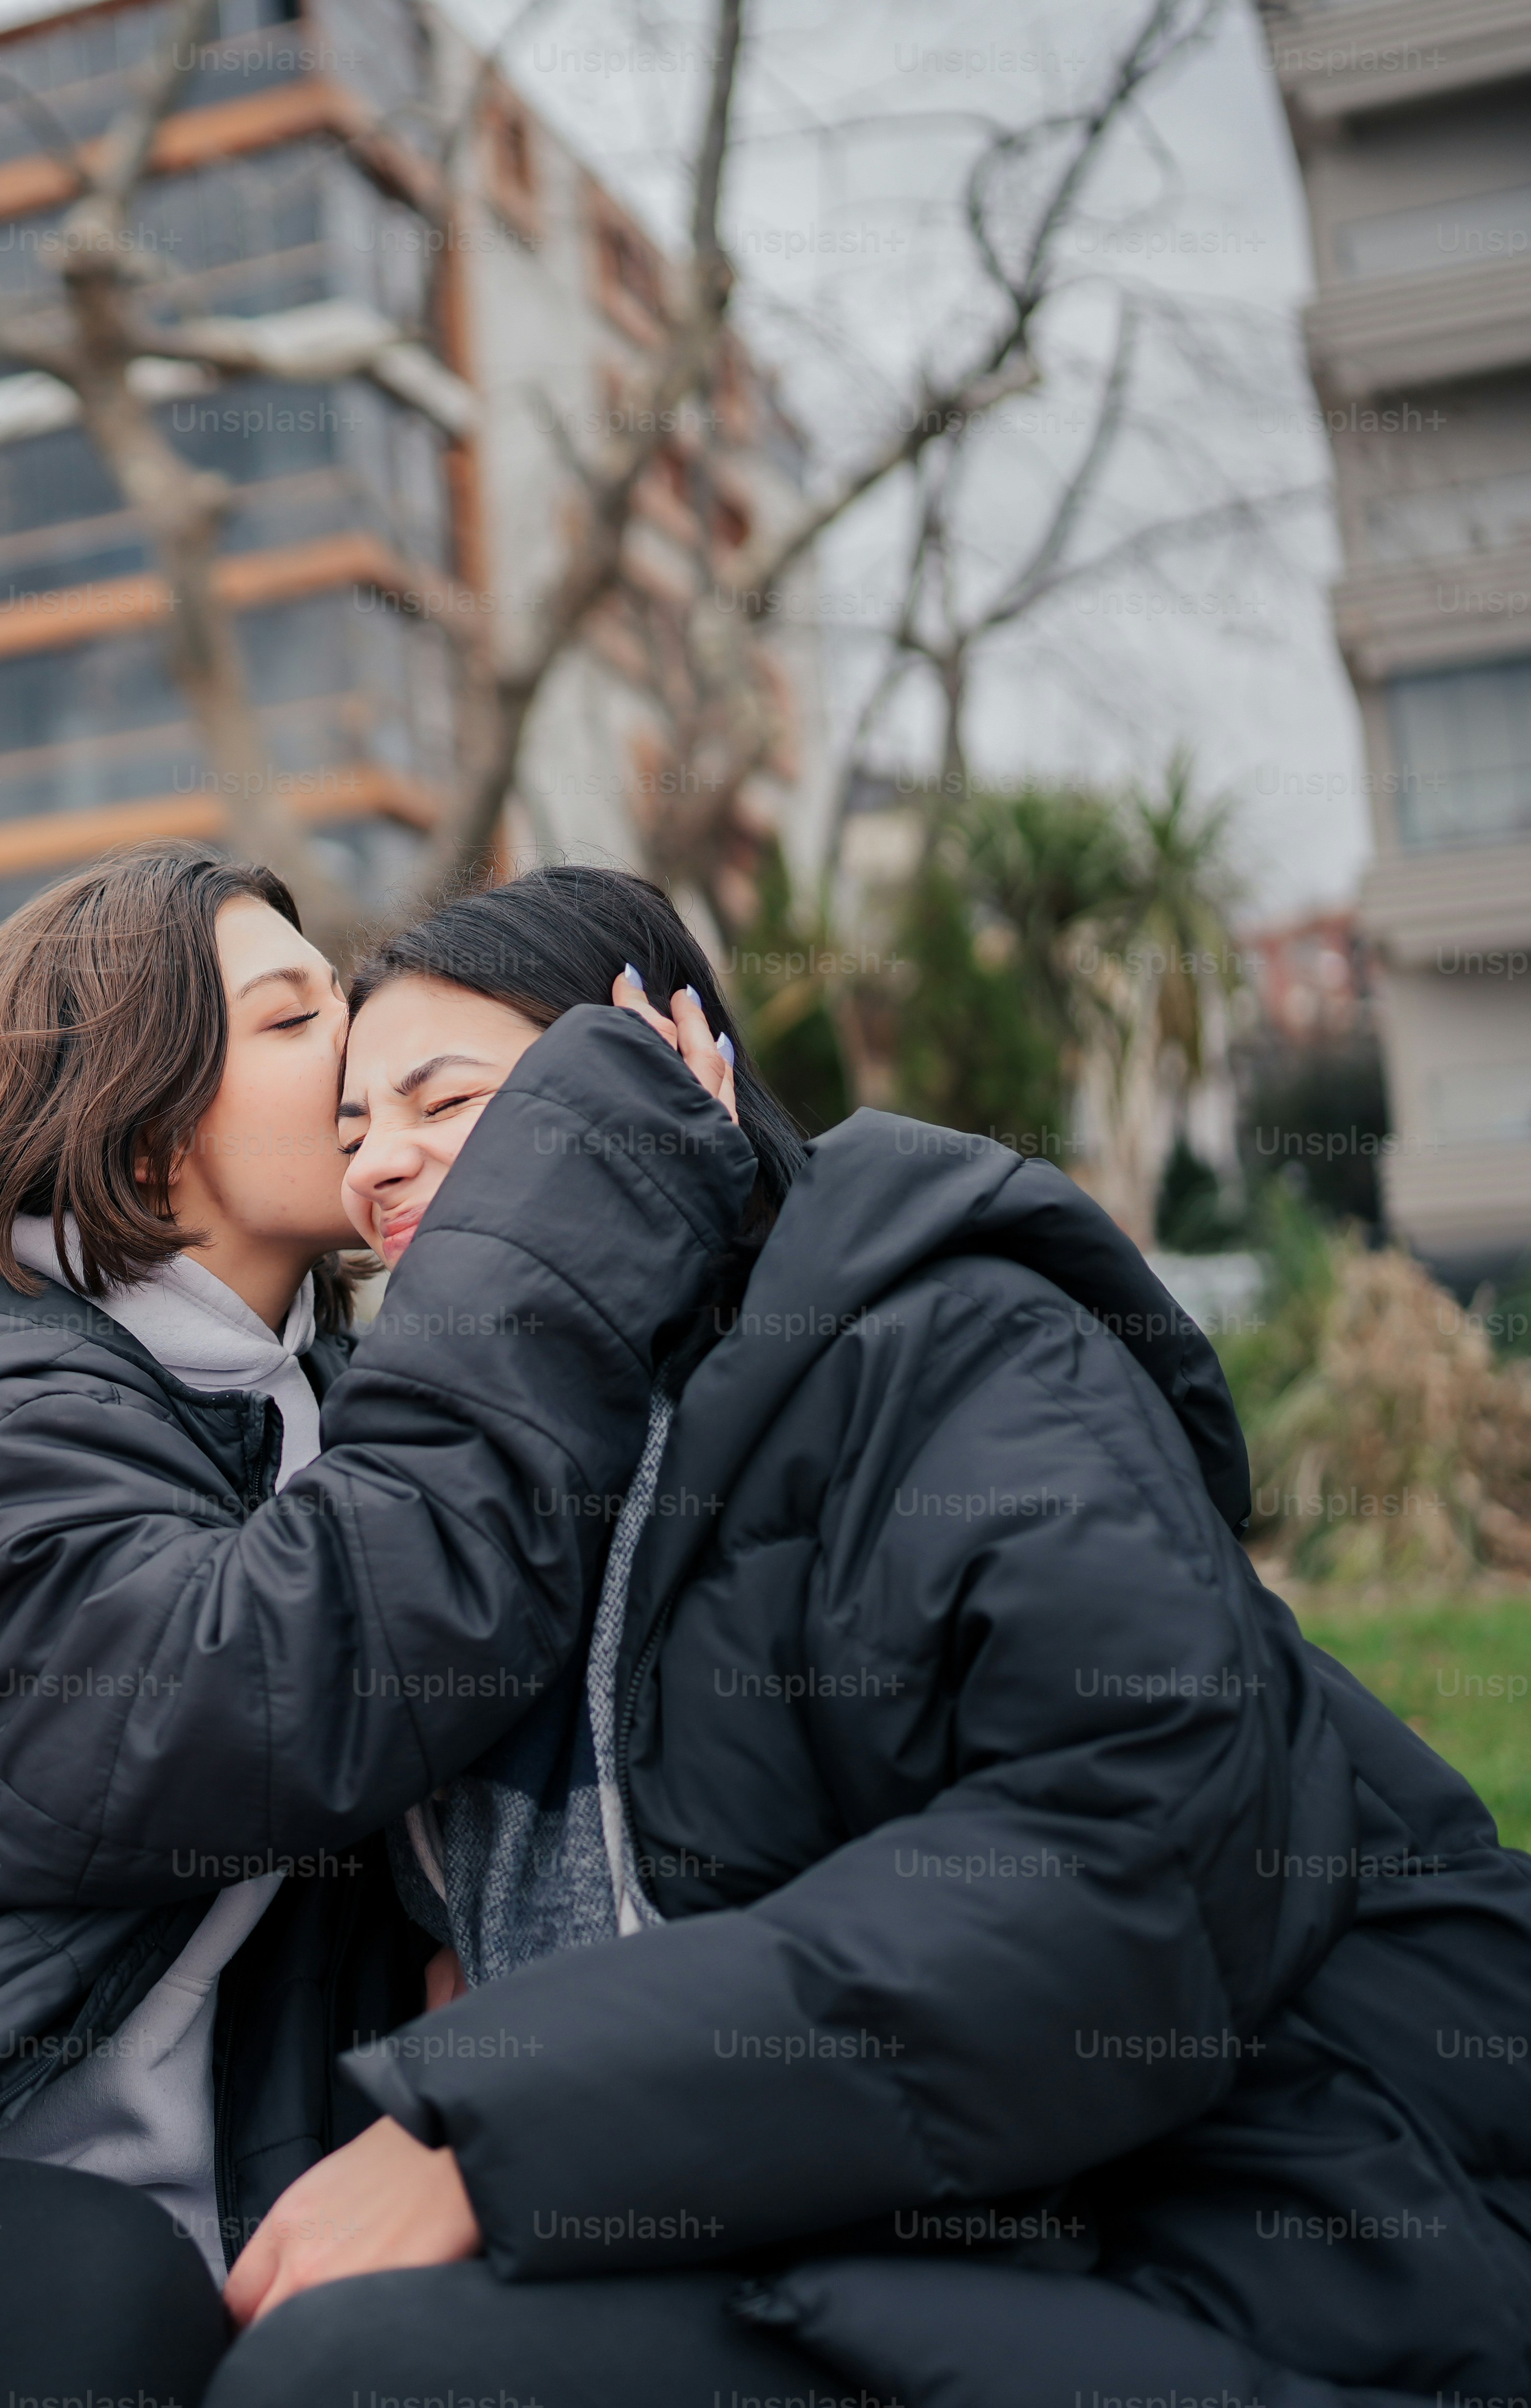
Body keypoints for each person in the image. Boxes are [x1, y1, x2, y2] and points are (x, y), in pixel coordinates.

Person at [203, 865, 1531, 2407]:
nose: (385, 1164)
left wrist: (507, 2122)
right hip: (820, 2212)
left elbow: (1124, 1857)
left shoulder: (947, 1344)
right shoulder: (485, 1486)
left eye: (454, 1100)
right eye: (355, 1126)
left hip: (1229, 2214)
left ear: (667, 1060)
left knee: (343, 2379)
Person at [0, 841, 761, 2408]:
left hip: (271, 2140)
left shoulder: (306, 1406)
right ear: (133, 1135)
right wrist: (571, 1196)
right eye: (289, 1016)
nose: (358, 1038)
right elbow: (271, 1690)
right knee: (100, 2305)